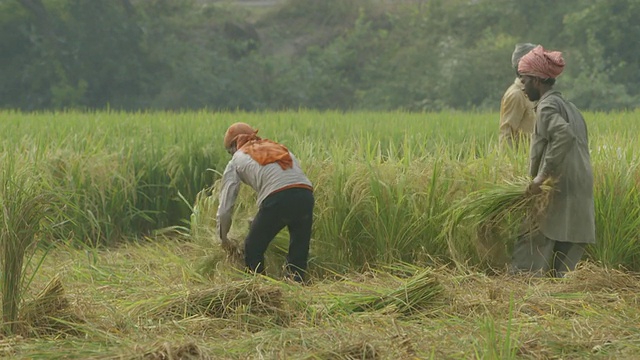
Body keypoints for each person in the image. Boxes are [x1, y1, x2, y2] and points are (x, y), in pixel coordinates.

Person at [511, 45, 596, 277]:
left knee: (531, 242)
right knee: (565, 265)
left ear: (537, 80)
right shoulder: (572, 108)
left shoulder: (547, 105)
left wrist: (541, 176)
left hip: (557, 187)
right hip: (579, 187)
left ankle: (521, 292)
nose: (522, 86)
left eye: (524, 79)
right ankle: (561, 300)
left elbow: (563, 135)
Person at [216, 122, 314, 283]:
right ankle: (297, 289)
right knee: (299, 249)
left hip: (278, 198)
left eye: (229, 151)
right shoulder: (278, 147)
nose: (231, 154)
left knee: (252, 247)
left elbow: (225, 208)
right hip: (305, 195)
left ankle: (261, 292)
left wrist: (223, 239)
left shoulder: (237, 159)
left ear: (234, 145)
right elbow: (287, 179)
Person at [499, 43, 537, 148]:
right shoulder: (516, 95)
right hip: (519, 162)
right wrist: (508, 164)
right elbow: (506, 134)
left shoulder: (531, 94)